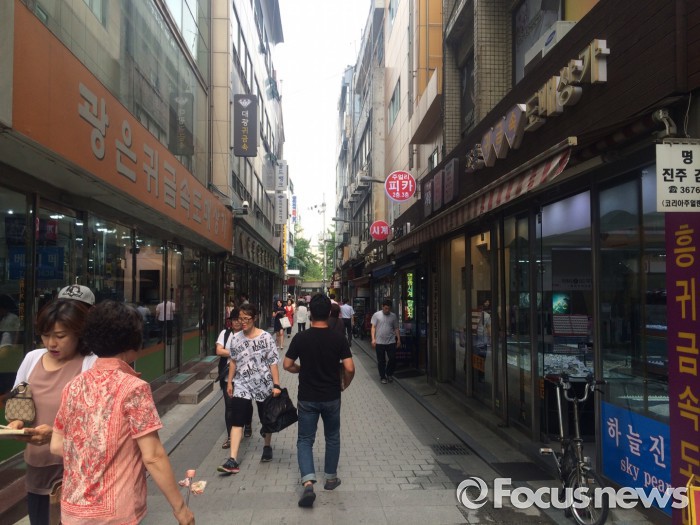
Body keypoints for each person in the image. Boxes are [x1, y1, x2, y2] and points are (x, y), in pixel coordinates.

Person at [49, 300, 194, 525]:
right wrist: (180, 509)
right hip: (115, 513)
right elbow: (153, 456)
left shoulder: (73, 386)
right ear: (134, 342)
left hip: (72, 511)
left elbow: (56, 445)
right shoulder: (134, 389)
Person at [6, 299, 97, 525]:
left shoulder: (91, 363)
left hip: (77, 468)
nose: (51, 343)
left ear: (79, 333)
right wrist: (17, 424)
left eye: (60, 336)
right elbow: (19, 403)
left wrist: (55, 435)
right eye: (46, 335)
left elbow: (99, 422)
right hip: (38, 465)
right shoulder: (32, 359)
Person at [283, 293, 355, 508]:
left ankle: (308, 483)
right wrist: (344, 384)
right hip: (332, 396)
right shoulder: (338, 338)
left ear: (311, 313)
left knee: (305, 440)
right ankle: (331, 478)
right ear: (330, 313)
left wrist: (301, 369)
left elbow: (286, 365)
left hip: (307, 397)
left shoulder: (301, 338)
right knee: (332, 437)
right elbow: (350, 368)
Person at [218, 304, 282, 474]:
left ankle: (267, 446)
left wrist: (276, 385)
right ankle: (232, 459)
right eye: (240, 319)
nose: (243, 322)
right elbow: (233, 361)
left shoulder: (266, 337)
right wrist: (230, 382)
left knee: (265, 418)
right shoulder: (235, 338)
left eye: (246, 319)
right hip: (242, 384)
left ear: (254, 318)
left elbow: (273, 362)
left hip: (263, 384)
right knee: (237, 420)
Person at [215, 308, 252, 447]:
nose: (236, 322)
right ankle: (231, 436)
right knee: (229, 406)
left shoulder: (248, 334)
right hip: (227, 378)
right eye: (234, 320)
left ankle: (247, 423)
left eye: (239, 319)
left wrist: (230, 352)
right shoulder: (225, 334)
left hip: (244, 377)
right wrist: (236, 352)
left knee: (246, 404)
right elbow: (219, 350)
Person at [371, 299, 401, 384]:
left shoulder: (393, 316)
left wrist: (398, 339)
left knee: (392, 358)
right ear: (382, 307)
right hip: (379, 342)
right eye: (385, 308)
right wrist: (373, 339)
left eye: (389, 308)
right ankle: (383, 377)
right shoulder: (376, 315)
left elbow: (396, 328)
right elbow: (373, 327)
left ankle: (389, 373)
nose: (387, 310)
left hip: (391, 341)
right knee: (381, 361)